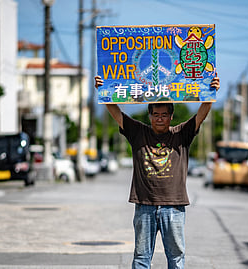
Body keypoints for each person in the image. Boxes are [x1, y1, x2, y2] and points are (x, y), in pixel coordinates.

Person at [94, 75, 220, 269]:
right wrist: (103, 90)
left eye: (164, 115)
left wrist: (211, 92)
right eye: (155, 114)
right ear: (149, 115)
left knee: (176, 258)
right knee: (141, 258)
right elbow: (116, 113)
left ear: (171, 116)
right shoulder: (138, 132)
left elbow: (201, 114)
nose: (159, 119)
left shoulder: (181, 134)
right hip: (145, 206)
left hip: (174, 207)